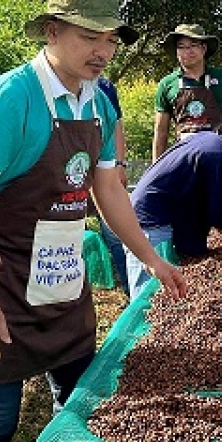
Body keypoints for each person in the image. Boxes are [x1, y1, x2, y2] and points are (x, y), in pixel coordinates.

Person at [0, 0, 187, 442]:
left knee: (77, 397)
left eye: (111, 39)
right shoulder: (12, 99)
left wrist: (151, 258)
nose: (102, 51)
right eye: (89, 37)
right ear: (52, 31)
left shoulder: (97, 102)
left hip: (62, 277)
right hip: (3, 282)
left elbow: (107, 190)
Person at [127, 103, 222, 301]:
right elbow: (219, 214)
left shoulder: (210, 140)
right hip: (150, 221)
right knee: (149, 299)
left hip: (157, 213)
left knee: (166, 293)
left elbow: (201, 201)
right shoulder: (217, 155)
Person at [152, 24, 222, 163]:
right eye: (182, 46)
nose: (188, 51)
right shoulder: (167, 84)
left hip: (220, 158)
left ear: (203, 48)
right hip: (184, 160)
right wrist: (155, 168)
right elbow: (161, 131)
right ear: (176, 51)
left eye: (193, 45)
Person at [94, 75, 130, 296]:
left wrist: (119, 163)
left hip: (104, 168)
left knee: (114, 232)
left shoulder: (104, 87)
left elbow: (116, 125)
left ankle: (129, 290)